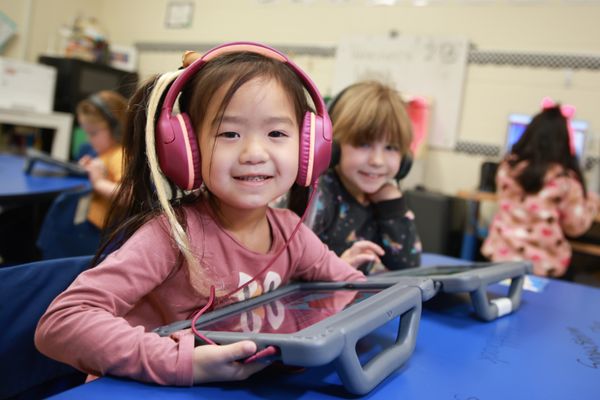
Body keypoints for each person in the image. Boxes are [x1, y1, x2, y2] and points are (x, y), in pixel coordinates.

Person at [35, 42, 364, 386]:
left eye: (277, 133)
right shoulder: (172, 236)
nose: (254, 152)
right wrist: (182, 362)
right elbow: (62, 322)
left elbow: (354, 290)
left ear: (309, 147)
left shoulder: (291, 233)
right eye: (229, 133)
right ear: (186, 149)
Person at [287, 81, 422, 272]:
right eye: (364, 144)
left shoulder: (385, 198)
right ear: (332, 146)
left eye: (391, 148)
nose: (377, 161)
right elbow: (291, 268)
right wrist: (336, 270)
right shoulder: (321, 193)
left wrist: (393, 208)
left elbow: (408, 266)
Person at [481, 98, 599, 277]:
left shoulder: (507, 169)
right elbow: (575, 227)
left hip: (499, 258)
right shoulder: (565, 180)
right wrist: (592, 201)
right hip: (542, 266)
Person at [75, 90, 128, 229]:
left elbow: (128, 196)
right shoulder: (105, 151)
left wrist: (98, 182)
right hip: (91, 220)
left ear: (117, 128)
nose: (88, 139)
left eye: (93, 133)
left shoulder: (120, 155)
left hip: (100, 231)